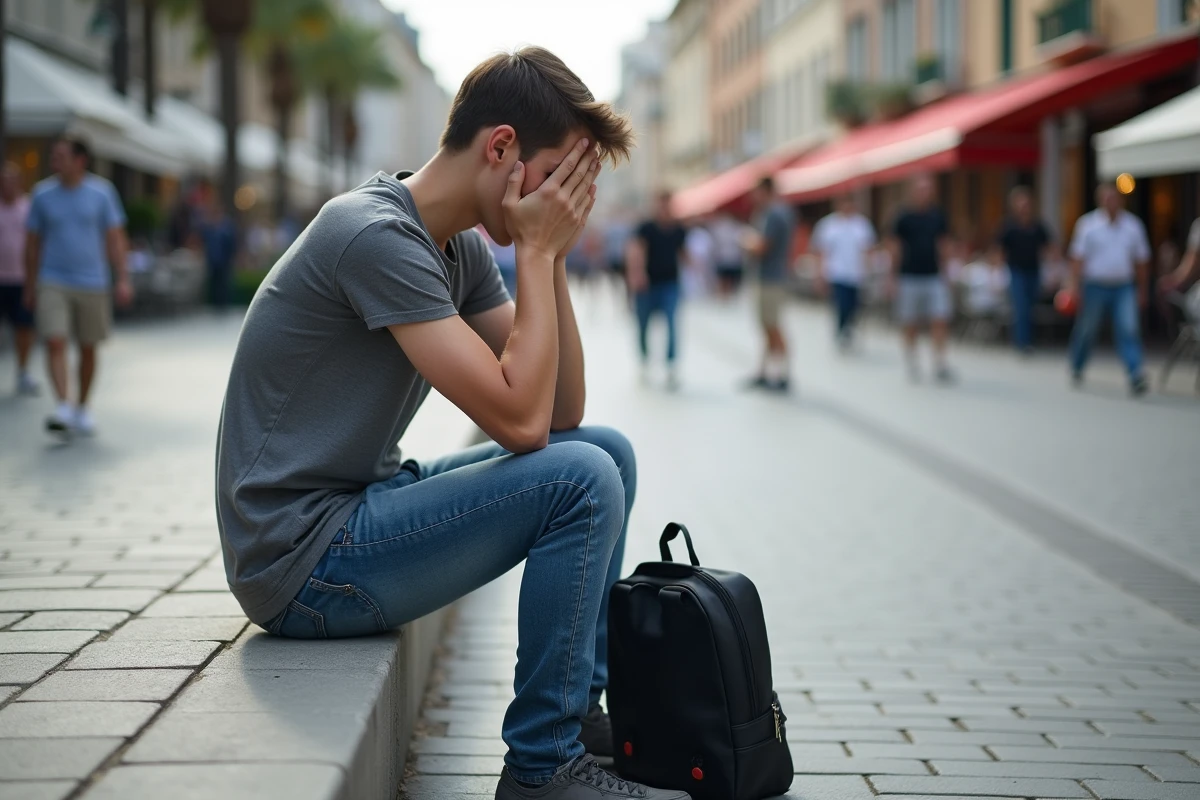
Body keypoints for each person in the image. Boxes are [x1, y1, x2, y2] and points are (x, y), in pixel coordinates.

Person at [215, 47, 688, 800]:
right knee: (581, 479)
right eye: (558, 176)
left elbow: (563, 409)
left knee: (606, 452)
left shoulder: (454, 243)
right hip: (299, 563)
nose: (565, 198)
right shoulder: (374, 234)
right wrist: (534, 251)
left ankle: (579, 717)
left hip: (352, 511)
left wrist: (552, 256)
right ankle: (542, 766)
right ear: (501, 148)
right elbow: (521, 425)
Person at [25, 138, 132, 435]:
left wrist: (122, 278)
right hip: (52, 279)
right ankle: (63, 405)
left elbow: (115, 238)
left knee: (88, 348)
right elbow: (32, 245)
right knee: (54, 341)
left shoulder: (102, 193)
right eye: (54, 155)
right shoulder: (42, 195)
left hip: (92, 282)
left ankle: (82, 407)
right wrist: (30, 284)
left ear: (80, 160)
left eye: (61, 156)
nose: (54, 161)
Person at [1066, 183, 1151, 396]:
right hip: (1095, 285)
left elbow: (1141, 262)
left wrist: (1142, 290)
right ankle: (1077, 364)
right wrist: (1074, 287)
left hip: (1123, 286)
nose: (1110, 202)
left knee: (1128, 328)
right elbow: (1077, 259)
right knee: (1087, 328)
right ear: (1100, 201)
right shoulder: (1087, 225)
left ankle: (1135, 373)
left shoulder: (1133, 225)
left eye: (1114, 198)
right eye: (1106, 198)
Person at [888, 175, 954, 383]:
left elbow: (943, 245)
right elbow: (894, 247)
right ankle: (912, 358)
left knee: (939, 318)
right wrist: (892, 276)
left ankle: (940, 362)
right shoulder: (903, 217)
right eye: (921, 189)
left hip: (933, 275)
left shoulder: (937, 216)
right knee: (911, 321)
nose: (924, 194)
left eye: (927, 189)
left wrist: (947, 272)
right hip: (909, 276)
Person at [626, 191, 686, 390]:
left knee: (671, 323)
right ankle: (644, 360)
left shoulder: (679, 229)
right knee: (643, 325)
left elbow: (682, 253)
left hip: (670, 283)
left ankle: (670, 365)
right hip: (647, 285)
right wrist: (637, 274)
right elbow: (635, 250)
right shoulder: (646, 228)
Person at [743, 177, 796, 391]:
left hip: (770, 279)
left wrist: (746, 240)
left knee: (773, 326)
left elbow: (762, 247)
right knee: (767, 326)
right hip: (770, 277)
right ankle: (764, 372)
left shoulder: (774, 214)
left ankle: (783, 374)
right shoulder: (777, 212)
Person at [810, 193, 876, 350]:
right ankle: (841, 330)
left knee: (854, 305)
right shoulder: (828, 225)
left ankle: (847, 328)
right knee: (841, 304)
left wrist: (868, 270)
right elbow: (821, 251)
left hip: (856, 274)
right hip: (836, 273)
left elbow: (868, 249)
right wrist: (819, 274)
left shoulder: (861, 224)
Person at [996, 186, 1053, 354]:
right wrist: (999, 271)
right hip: (1016, 271)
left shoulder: (1037, 225)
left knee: (1031, 306)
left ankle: (1029, 339)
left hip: (1034, 270)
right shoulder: (1009, 226)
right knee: (1020, 306)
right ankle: (1022, 342)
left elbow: (1048, 247)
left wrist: (1051, 265)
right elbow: (1000, 250)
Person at [0, 163, 39, 396]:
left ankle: (23, 371)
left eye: (12, 180)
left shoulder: (29, 209)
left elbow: (36, 243)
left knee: (24, 327)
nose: (7, 185)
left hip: (22, 279)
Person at [198, 199, 238, 311]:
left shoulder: (227, 226)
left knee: (224, 283)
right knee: (213, 283)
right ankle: (214, 304)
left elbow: (232, 243)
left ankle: (224, 305)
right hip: (212, 260)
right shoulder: (209, 225)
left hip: (224, 260)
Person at [710, 213, 746, 298]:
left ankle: (726, 297)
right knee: (726, 280)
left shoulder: (735, 228)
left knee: (729, 280)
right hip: (726, 259)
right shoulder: (720, 229)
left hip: (730, 259)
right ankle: (725, 296)